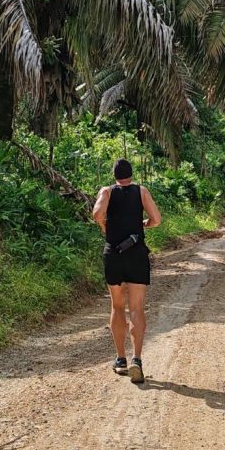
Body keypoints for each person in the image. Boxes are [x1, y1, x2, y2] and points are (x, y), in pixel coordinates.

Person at [91, 158, 161, 384]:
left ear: (115, 175)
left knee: (117, 306)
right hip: (136, 253)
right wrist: (144, 224)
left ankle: (120, 359)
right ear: (131, 174)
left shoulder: (107, 192)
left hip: (113, 254)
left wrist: (105, 225)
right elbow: (156, 219)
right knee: (137, 308)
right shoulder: (141, 191)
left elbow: (97, 214)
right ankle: (136, 360)